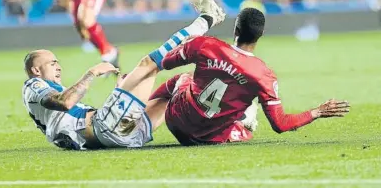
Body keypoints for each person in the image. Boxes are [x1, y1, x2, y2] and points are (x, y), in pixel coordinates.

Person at [22, 0, 226, 150]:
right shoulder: (33, 86)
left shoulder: (49, 108)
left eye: (57, 61)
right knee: (150, 63)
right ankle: (207, 18)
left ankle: (234, 119)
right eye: (51, 63)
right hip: (107, 127)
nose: (58, 66)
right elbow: (65, 102)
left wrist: (122, 89)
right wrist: (91, 73)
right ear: (36, 71)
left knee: (176, 92)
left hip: (122, 133)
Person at [148, 8, 350, 145]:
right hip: (208, 137)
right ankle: (242, 122)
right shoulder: (263, 75)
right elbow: (280, 124)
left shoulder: (205, 45)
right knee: (247, 113)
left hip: (176, 121)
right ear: (260, 35)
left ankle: (142, 112)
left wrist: (187, 44)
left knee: (182, 78)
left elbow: (164, 62)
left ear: (235, 28)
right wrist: (317, 112)